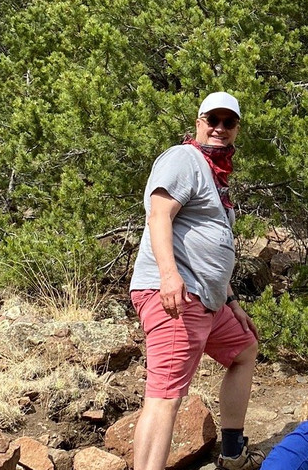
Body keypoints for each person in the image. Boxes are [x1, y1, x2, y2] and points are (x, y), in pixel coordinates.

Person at [129, 91, 263, 470]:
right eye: (213, 120)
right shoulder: (183, 158)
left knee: (244, 350)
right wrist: (169, 278)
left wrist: (232, 302)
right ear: (199, 123)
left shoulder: (214, 174)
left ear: (236, 129)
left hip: (208, 300)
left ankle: (233, 453)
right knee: (164, 398)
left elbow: (212, 248)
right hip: (177, 295)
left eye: (228, 122)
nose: (220, 128)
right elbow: (159, 216)